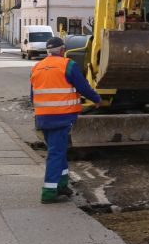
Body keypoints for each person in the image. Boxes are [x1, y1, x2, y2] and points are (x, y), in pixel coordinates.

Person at [30, 36, 102, 204]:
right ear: (62, 50)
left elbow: (32, 95)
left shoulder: (37, 67)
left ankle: (62, 184)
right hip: (60, 116)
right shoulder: (68, 65)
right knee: (56, 153)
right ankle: (49, 191)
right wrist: (97, 98)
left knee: (59, 151)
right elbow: (83, 86)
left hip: (42, 117)